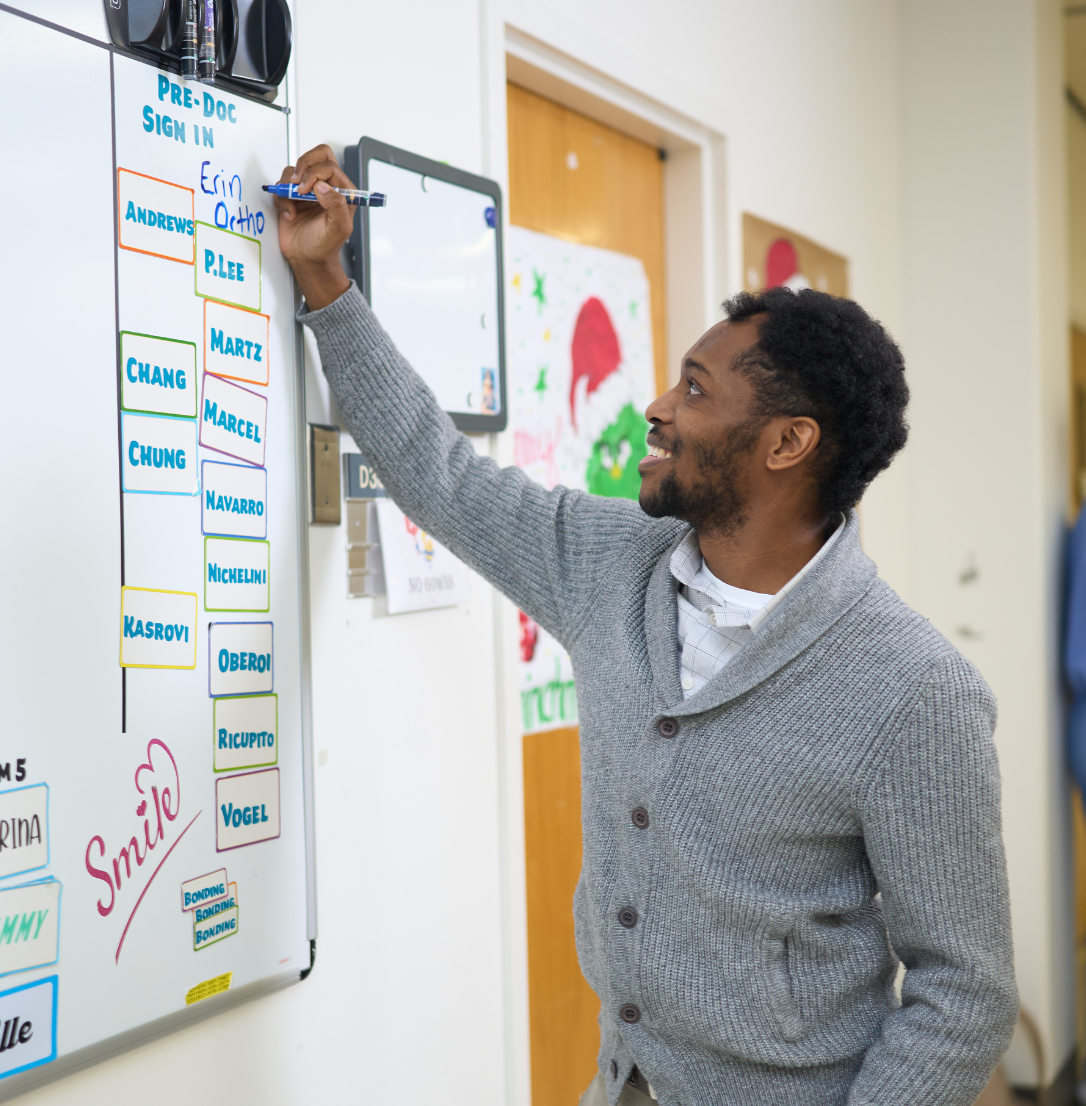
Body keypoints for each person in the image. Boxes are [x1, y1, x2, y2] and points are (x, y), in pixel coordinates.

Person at [276, 146, 1018, 1106]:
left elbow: (965, 995)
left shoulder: (913, 691)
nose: (658, 410)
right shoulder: (610, 562)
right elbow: (441, 475)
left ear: (789, 444)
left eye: (698, 391)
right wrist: (327, 283)